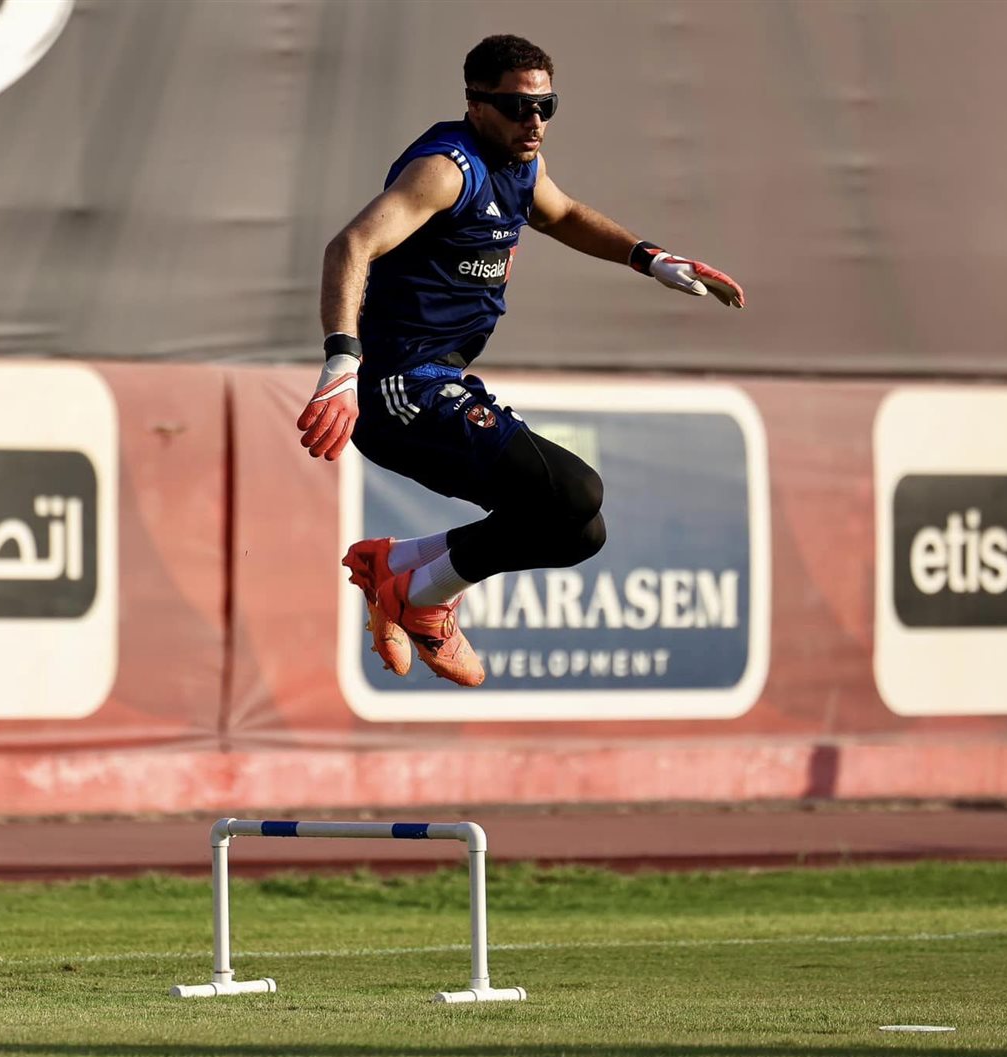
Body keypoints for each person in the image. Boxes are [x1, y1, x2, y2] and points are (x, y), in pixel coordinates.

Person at [296, 33, 744, 688]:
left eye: (545, 106)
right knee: (577, 491)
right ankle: (416, 598)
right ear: (476, 104)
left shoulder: (522, 163)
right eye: (516, 107)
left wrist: (650, 259)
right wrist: (342, 361)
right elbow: (350, 245)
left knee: (579, 533)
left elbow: (562, 214)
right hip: (397, 387)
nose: (534, 121)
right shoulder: (448, 170)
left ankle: (396, 568)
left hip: (440, 378)